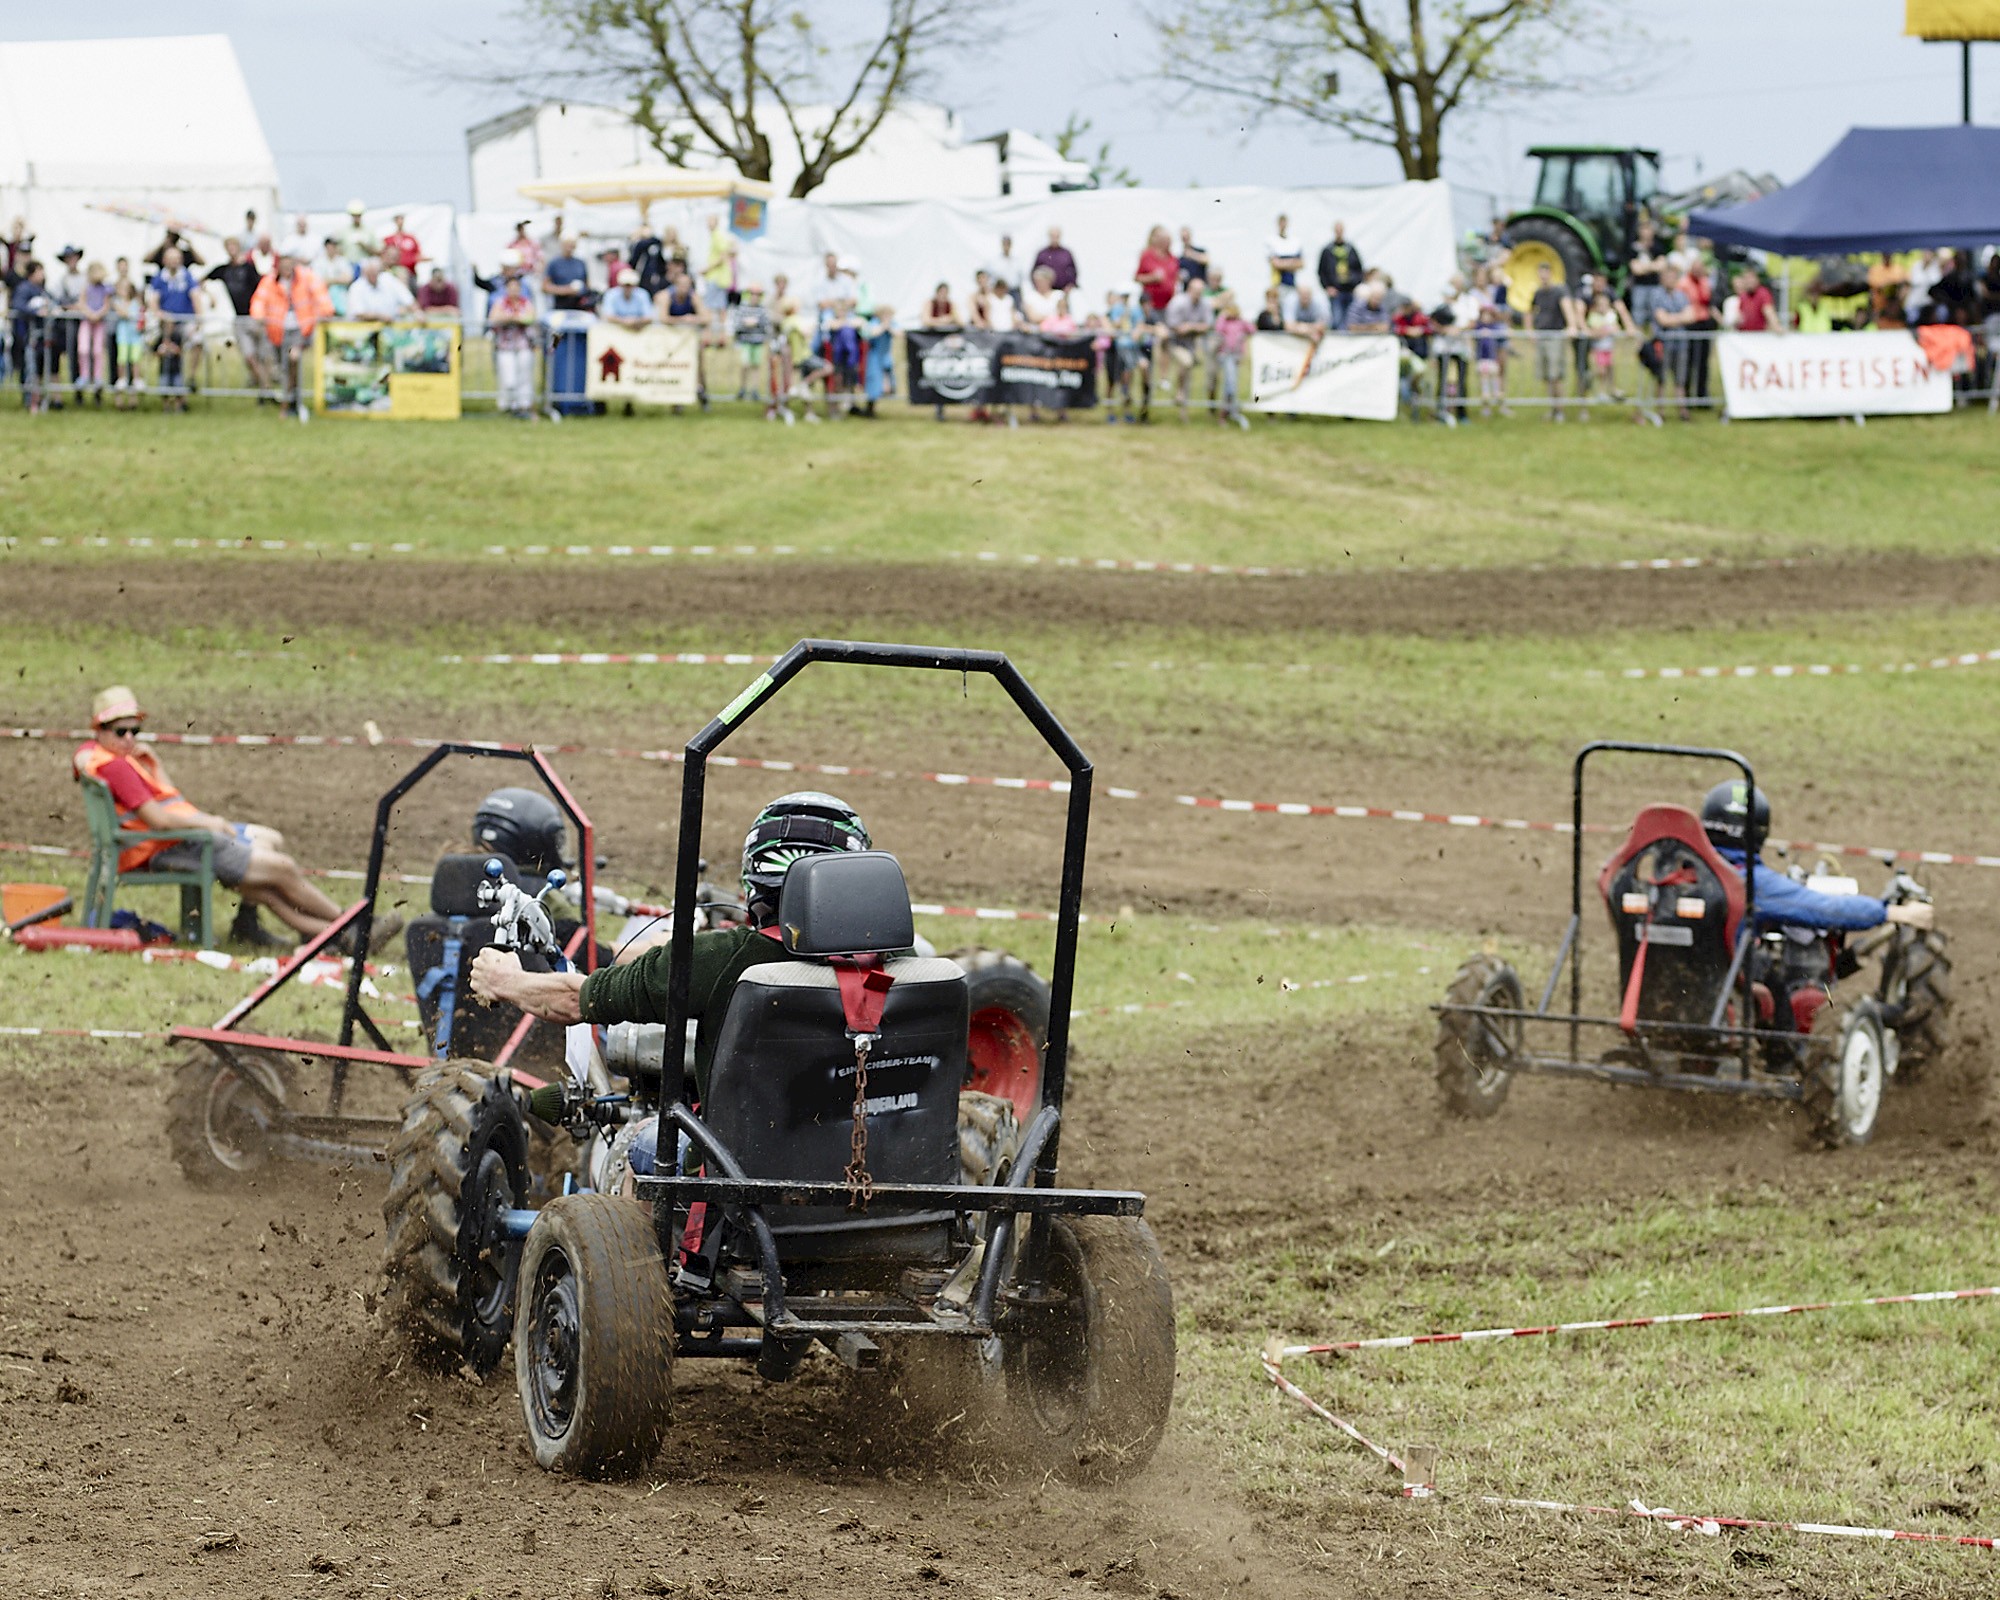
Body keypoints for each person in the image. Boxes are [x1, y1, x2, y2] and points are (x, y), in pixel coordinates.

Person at [469, 794, 877, 1091]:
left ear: (755, 877)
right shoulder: (912, 970)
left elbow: (577, 1000)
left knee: (644, 1144)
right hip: (892, 1177)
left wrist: (506, 981)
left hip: (739, 1181)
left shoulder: (716, 960)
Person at [72, 686, 399, 953]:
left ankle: (287, 929)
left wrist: (153, 763)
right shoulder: (116, 766)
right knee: (280, 870)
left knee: (269, 844)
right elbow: (157, 819)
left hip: (171, 839)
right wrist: (209, 823)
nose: (130, 738)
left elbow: (161, 794)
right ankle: (352, 926)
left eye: (135, 729)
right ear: (99, 730)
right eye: (120, 731)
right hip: (167, 844)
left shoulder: (102, 756)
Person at [1699, 781, 1933, 937]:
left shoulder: (1673, 869)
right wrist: (1894, 913)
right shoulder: (1750, 883)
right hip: (1726, 994)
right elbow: (1827, 909)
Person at [249, 253, 333, 415]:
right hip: (277, 331)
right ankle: (291, 399)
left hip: (300, 330)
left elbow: (321, 296)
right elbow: (259, 300)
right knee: (284, 367)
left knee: (293, 360)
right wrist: (258, 317)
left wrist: (326, 311)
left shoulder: (306, 278)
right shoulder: (270, 281)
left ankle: (287, 403)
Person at [206, 237, 269, 395]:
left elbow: (262, 288)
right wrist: (210, 296)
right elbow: (202, 280)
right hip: (240, 319)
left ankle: (264, 387)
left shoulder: (249, 268)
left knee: (262, 356)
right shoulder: (225, 270)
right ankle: (265, 387)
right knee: (249, 356)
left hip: (255, 317)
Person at [147, 247, 203, 411]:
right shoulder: (159, 278)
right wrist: (161, 316)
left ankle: (190, 378)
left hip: (185, 322)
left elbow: (196, 297)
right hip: (164, 324)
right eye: (170, 258)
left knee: (197, 342)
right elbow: (153, 302)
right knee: (166, 355)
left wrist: (199, 321)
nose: (174, 261)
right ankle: (169, 396)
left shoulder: (187, 276)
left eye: (177, 258)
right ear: (164, 260)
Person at [488, 269, 539, 419]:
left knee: (524, 374)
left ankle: (523, 405)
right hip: (505, 345)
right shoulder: (500, 302)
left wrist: (512, 318)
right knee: (508, 376)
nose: (514, 290)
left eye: (517, 287)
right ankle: (508, 404)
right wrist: (514, 318)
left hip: (523, 344)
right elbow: (494, 318)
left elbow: (530, 317)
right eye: (511, 287)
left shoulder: (526, 302)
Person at [1161, 272, 1213, 416]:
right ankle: (1178, 392)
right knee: (1186, 362)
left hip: (1191, 344)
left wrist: (1190, 327)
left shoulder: (1204, 303)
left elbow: (1208, 325)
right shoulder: (1178, 302)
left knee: (1188, 371)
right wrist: (1193, 328)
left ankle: (1183, 406)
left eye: (1201, 292)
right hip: (1173, 342)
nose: (1199, 295)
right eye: (1196, 292)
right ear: (1189, 289)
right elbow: (1173, 325)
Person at [1527, 263, 1573, 421]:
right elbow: (1529, 311)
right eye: (1541, 273)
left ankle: (1559, 410)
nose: (1543, 276)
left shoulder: (1559, 290)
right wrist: (1530, 330)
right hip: (1542, 335)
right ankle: (1553, 408)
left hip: (1555, 335)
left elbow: (1567, 307)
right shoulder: (1538, 293)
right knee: (1546, 375)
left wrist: (1571, 325)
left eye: (1545, 272)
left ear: (1550, 273)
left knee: (1555, 375)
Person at [1212, 290, 1251, 430]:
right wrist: (1223, 315)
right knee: (1229, 384)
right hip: (1226, 355)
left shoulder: (1240, 322)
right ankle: (1227, 413)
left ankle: (1231, 411)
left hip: (1236, 356)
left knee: (1231, 384)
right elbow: (1218, 329)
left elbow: (1251, 329)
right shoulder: (1224, 321)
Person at [75, 261, 111, 407]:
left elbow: (107, 304)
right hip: (87, 321)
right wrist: (89, 314)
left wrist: (98, 315)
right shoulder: (86, 288)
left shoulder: (106, 289)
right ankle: (84, 375)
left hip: (99, 323)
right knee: (83, 349)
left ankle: (97, 377)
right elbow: (81, 303)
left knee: (97, 351)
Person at [1316, 221, 1365, 327]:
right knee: (1337, 319)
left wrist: (1355, 284)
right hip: (1335, 291)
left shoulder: (1351, 249)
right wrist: (1327, 287)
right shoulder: (1327, 250)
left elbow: (1359, 269)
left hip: (1350, 291)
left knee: (1351, 319)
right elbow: (1321, 271)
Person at [730, 284, 772, 406]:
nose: (755, 297)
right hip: (745, 341)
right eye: (753, 294)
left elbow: (766, 325)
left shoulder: (762, 309)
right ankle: (743, 388)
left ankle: (754, 389)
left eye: (757, 294)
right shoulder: (742, 308)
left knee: (756, 365)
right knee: (745, 364)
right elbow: (736, 324)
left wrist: (756, 323)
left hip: (757, 341)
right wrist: (746, 324)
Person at [110, 260, 144, 408]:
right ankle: (118, 398)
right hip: (118, 333)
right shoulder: (113, 294)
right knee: (118, 362)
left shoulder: (135, 296)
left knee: (133, 362)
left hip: (133, 335)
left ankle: (132, 398)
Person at [346, 255, 415, 322]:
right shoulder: (356, 287)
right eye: (370, 272)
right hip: (362, 329)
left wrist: (417, 312)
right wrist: (380, 316)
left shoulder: (388, 279)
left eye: (375, 272)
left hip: (389, 328)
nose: (373, 275)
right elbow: (358, 313)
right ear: (364, 272)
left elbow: (408, 299)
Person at [1136, 227, 1178, 323]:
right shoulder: (1147, 255)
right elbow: (1137, 278)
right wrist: (1152, 277)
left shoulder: (1173, 258)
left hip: (1168, 305)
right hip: (1151, 305)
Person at [1266, 213, 1304, 320]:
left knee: (1290, 311)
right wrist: (1292, 263)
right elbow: (1276, 264)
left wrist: (1283, 263)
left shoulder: (1294, 242)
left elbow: (1301, 263)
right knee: (1277, 311)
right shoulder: (1272, 241)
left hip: (1291, 284)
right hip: (1277, 284)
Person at [1034, 227, 1078, 292]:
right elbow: (1035, 272)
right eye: (1052, 236)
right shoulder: (1042, 254)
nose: (1054, 239)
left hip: (1063, 290)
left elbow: (1074, 271)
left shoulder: (1066, 254)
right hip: (1046, 291)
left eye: (1056, 236)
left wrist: (1070, 285)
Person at [381, 213, 422, 280]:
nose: (400, 222)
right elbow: (382, 255)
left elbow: (418, 254)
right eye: (398, 219)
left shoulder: (411, 238)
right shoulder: (388, 239)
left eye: (401, 219)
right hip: (392, 273)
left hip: (410, 273)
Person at [985, 235, 1023, 305]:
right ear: (1002, 244)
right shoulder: (994, 261)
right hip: (999, 291)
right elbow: (988, 277)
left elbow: (1020, 279)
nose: (1006, 246)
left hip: (1014, 291)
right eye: (1004, 243)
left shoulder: (1017, 261)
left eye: (1008, 243)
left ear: (1011, 245)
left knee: (1017, 312)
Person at [337, 200, 376, 265]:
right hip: (348, 265)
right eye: (354, 215)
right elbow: (338, 251)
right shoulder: (343, 231)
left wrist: (365, 246)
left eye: (358, 215)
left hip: (365, 266)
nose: (356, 218)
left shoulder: (369, 230)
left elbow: (378, 251)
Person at [1174, 226, 1209, 291]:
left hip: (1201, 288)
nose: (1185, 239)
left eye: (1186, 236)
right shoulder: (1180, 258)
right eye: (1183, 237)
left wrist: (1192, 254)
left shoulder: (1200, 251)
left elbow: (1206, 260)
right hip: (1187, 290)